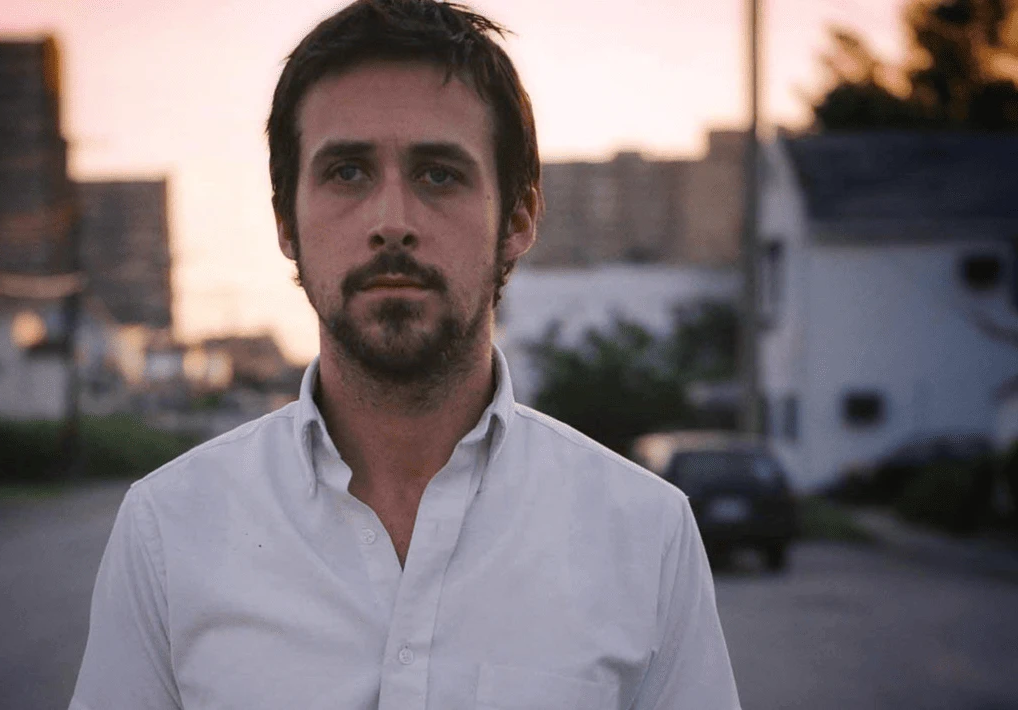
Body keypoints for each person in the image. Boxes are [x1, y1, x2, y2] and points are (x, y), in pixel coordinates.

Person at [69, 1, 742, 708]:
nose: (392, 222)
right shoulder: (168, 529)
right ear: (286, 223)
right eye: (347, 172)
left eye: (439, 174)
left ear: (517, 219)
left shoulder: (644, 533)